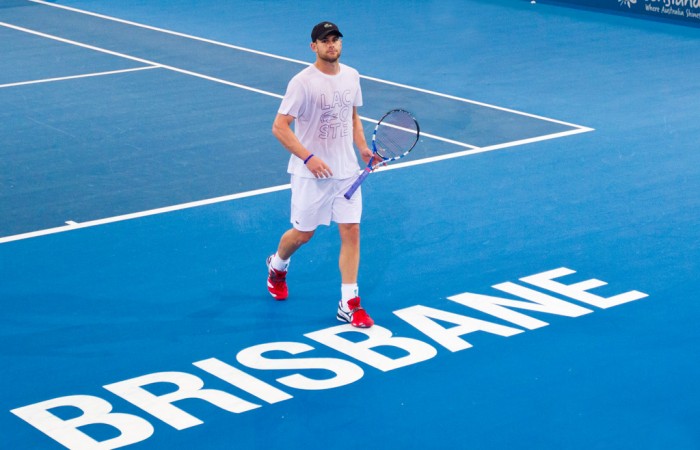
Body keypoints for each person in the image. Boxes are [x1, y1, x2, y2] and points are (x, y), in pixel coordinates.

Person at [266, 21, 374, 328]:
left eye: (336, 39)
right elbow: (279, 126)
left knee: (351, 230)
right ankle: (277, 265)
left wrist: (363, 148)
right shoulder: (302, 82)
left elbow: (352, 116)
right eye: (325, 40)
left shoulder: (352, 76)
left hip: (347, 171)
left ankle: (349, 303)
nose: (331, 44)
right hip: (311, 175)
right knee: (303, 235)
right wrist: (309, 158)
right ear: (314, 46)